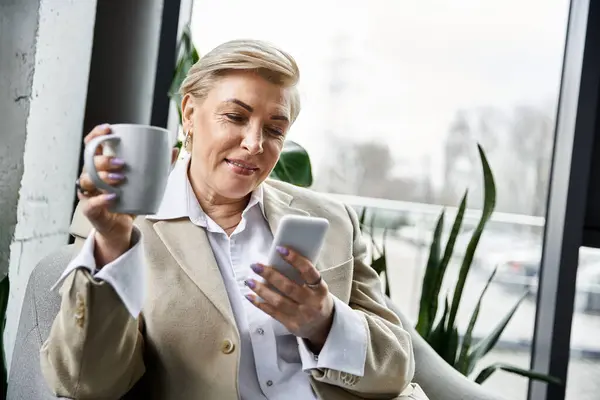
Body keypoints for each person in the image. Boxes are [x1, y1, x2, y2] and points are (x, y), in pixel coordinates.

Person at [40, 39, 428, 400]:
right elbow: (87, 381)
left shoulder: (332, 220)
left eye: (275, 129)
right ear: (189, 113)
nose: (255, 143)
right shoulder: (124, 227)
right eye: (235, 116)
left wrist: (323, 324)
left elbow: (396, 367)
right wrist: (112, 245)